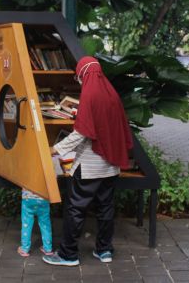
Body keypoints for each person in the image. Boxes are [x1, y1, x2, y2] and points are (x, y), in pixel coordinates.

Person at [43, 56, 133, 267]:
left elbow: (83, 132)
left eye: (79, 76)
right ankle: (104, 250)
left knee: (76, 208)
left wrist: (56, 149)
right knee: (105, 208)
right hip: (110, 166)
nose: (79, 80)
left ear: (83, 73)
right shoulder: (111, 93)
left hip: (90, 167)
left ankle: (68, 255)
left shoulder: (90, 94)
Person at [18, 189, 53, 257]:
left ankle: (25, 249)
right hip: (44, 199)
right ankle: (48, 248)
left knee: (26, 224)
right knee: (45, 225)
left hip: (28, 199)